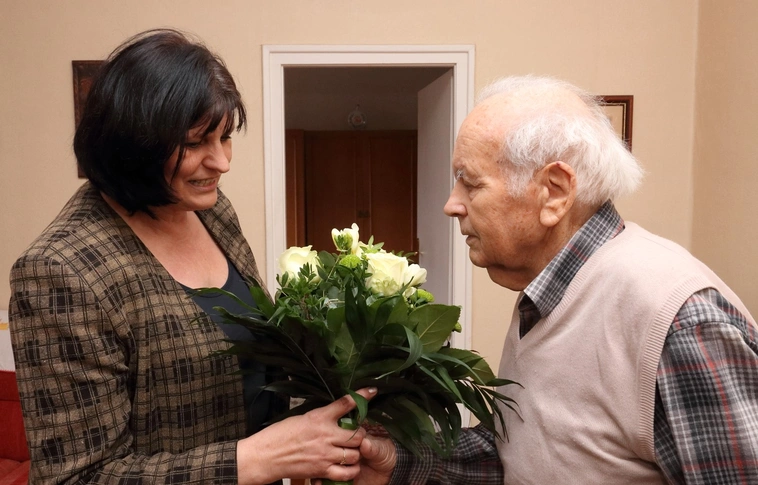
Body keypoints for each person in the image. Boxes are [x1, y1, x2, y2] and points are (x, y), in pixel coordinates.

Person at [8, 28, 374, 485]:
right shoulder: (59, 270)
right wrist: (258, 459)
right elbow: (77, 477)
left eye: (225, 137)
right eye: (197, 143)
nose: (222, 162)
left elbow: (254, 360)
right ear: (135, 145)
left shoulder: (211, 211)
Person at [356, 75, 758, 484]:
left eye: (471, 183)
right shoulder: (545, 294)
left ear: (554, 192)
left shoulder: (679, 321)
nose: (451, 205)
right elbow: (521, 452)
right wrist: (398, 462)